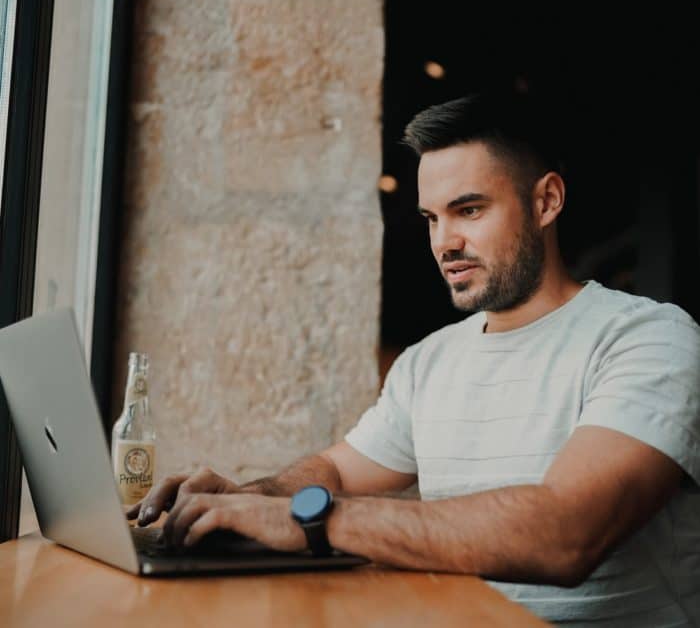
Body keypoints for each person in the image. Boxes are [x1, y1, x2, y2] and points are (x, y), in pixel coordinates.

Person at [129, 90, 700, 626]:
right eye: (432, 218)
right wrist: (250, 500)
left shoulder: (648, 338)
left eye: (469, 210)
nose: (444, 242)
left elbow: (566, 534)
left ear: (546, 201)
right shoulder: (429, 362)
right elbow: (335, 470)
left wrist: (310, 520)